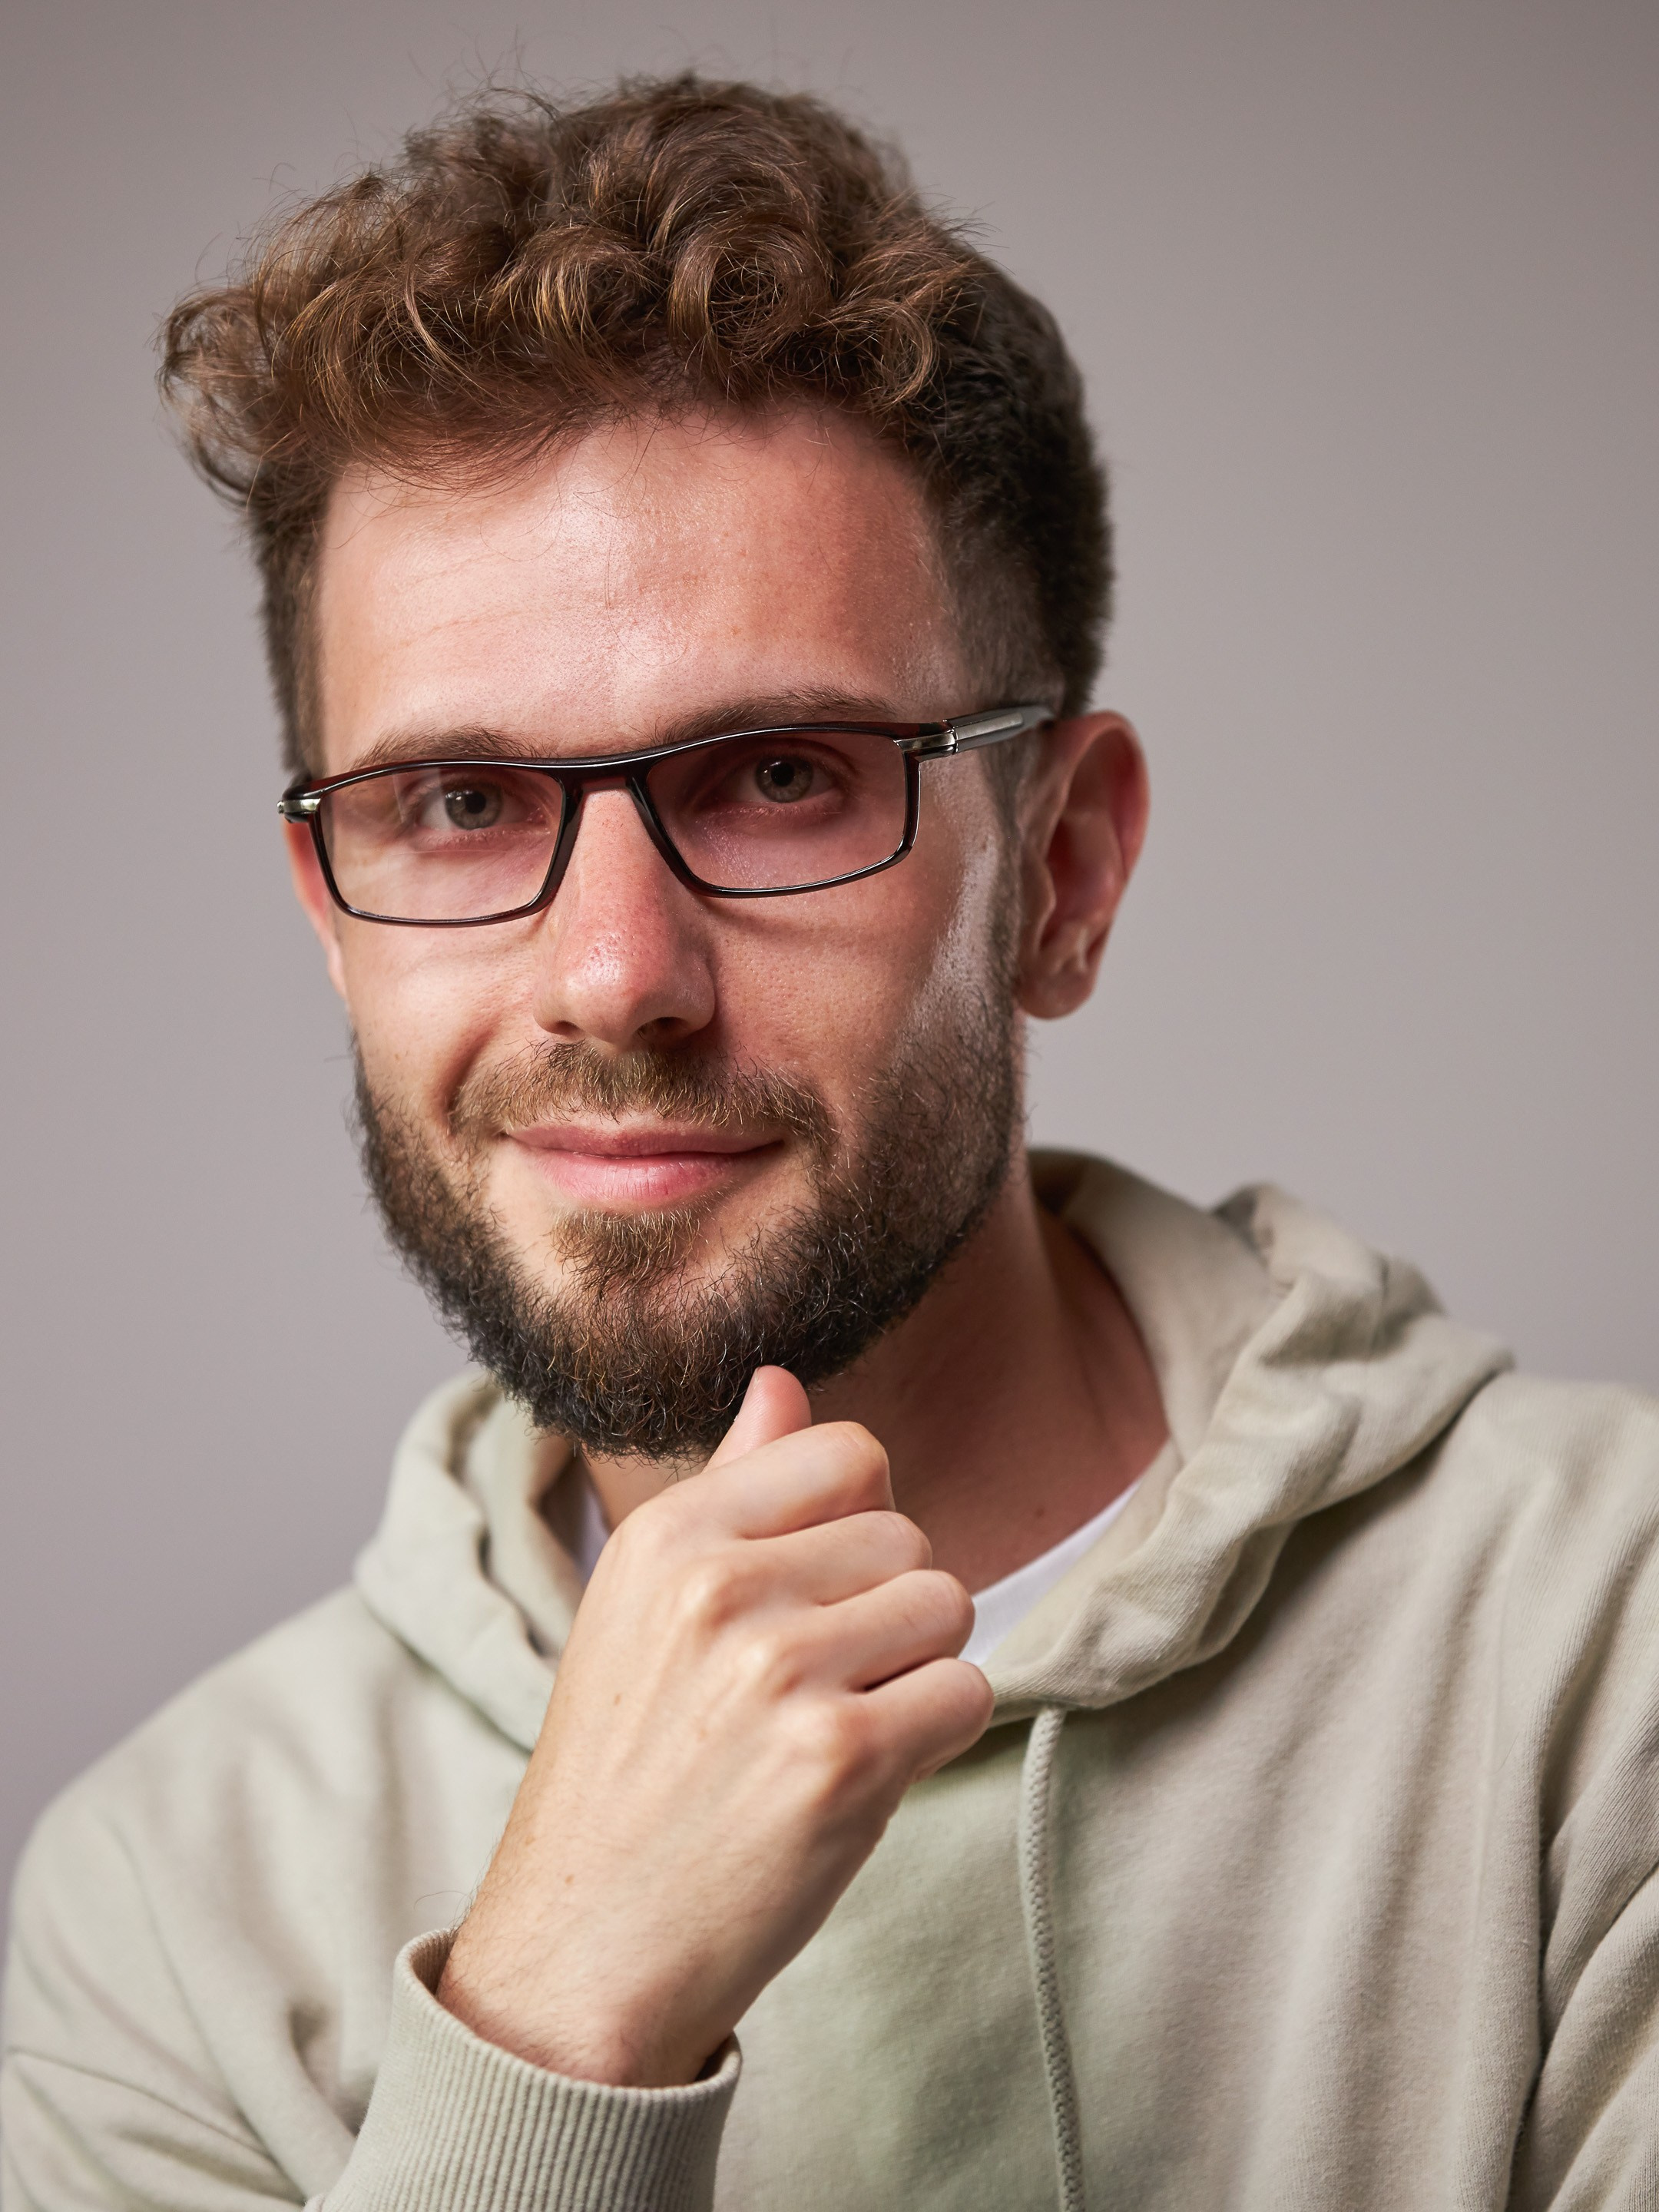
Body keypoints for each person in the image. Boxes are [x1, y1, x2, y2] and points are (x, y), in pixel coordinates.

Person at [5, 71, 1659, 2212]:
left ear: (1061, 872)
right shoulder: (161, 1919)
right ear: (334, 918)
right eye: (460, 805)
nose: (616, 977)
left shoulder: (1603, 1652)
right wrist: (548, 2035)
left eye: (778, 776)